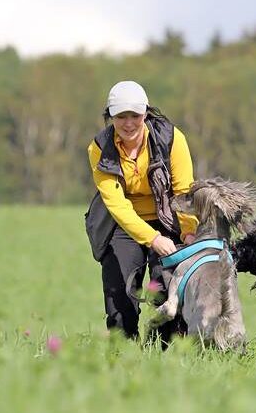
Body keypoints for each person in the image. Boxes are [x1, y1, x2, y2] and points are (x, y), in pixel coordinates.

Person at [85, 80, 198, 340]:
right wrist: (152, 239)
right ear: (110, 117)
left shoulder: (172, 138)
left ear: (145, 114)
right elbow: (116, 204)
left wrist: (189, 232)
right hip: (123, 224)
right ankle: (123, 355)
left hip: (168, 219)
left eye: (134, 116)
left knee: (168, 289)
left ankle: (163, 354)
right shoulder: (99, 149)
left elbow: (183, 190)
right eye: (121, 117)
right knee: (120, 296)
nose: (128, 124)